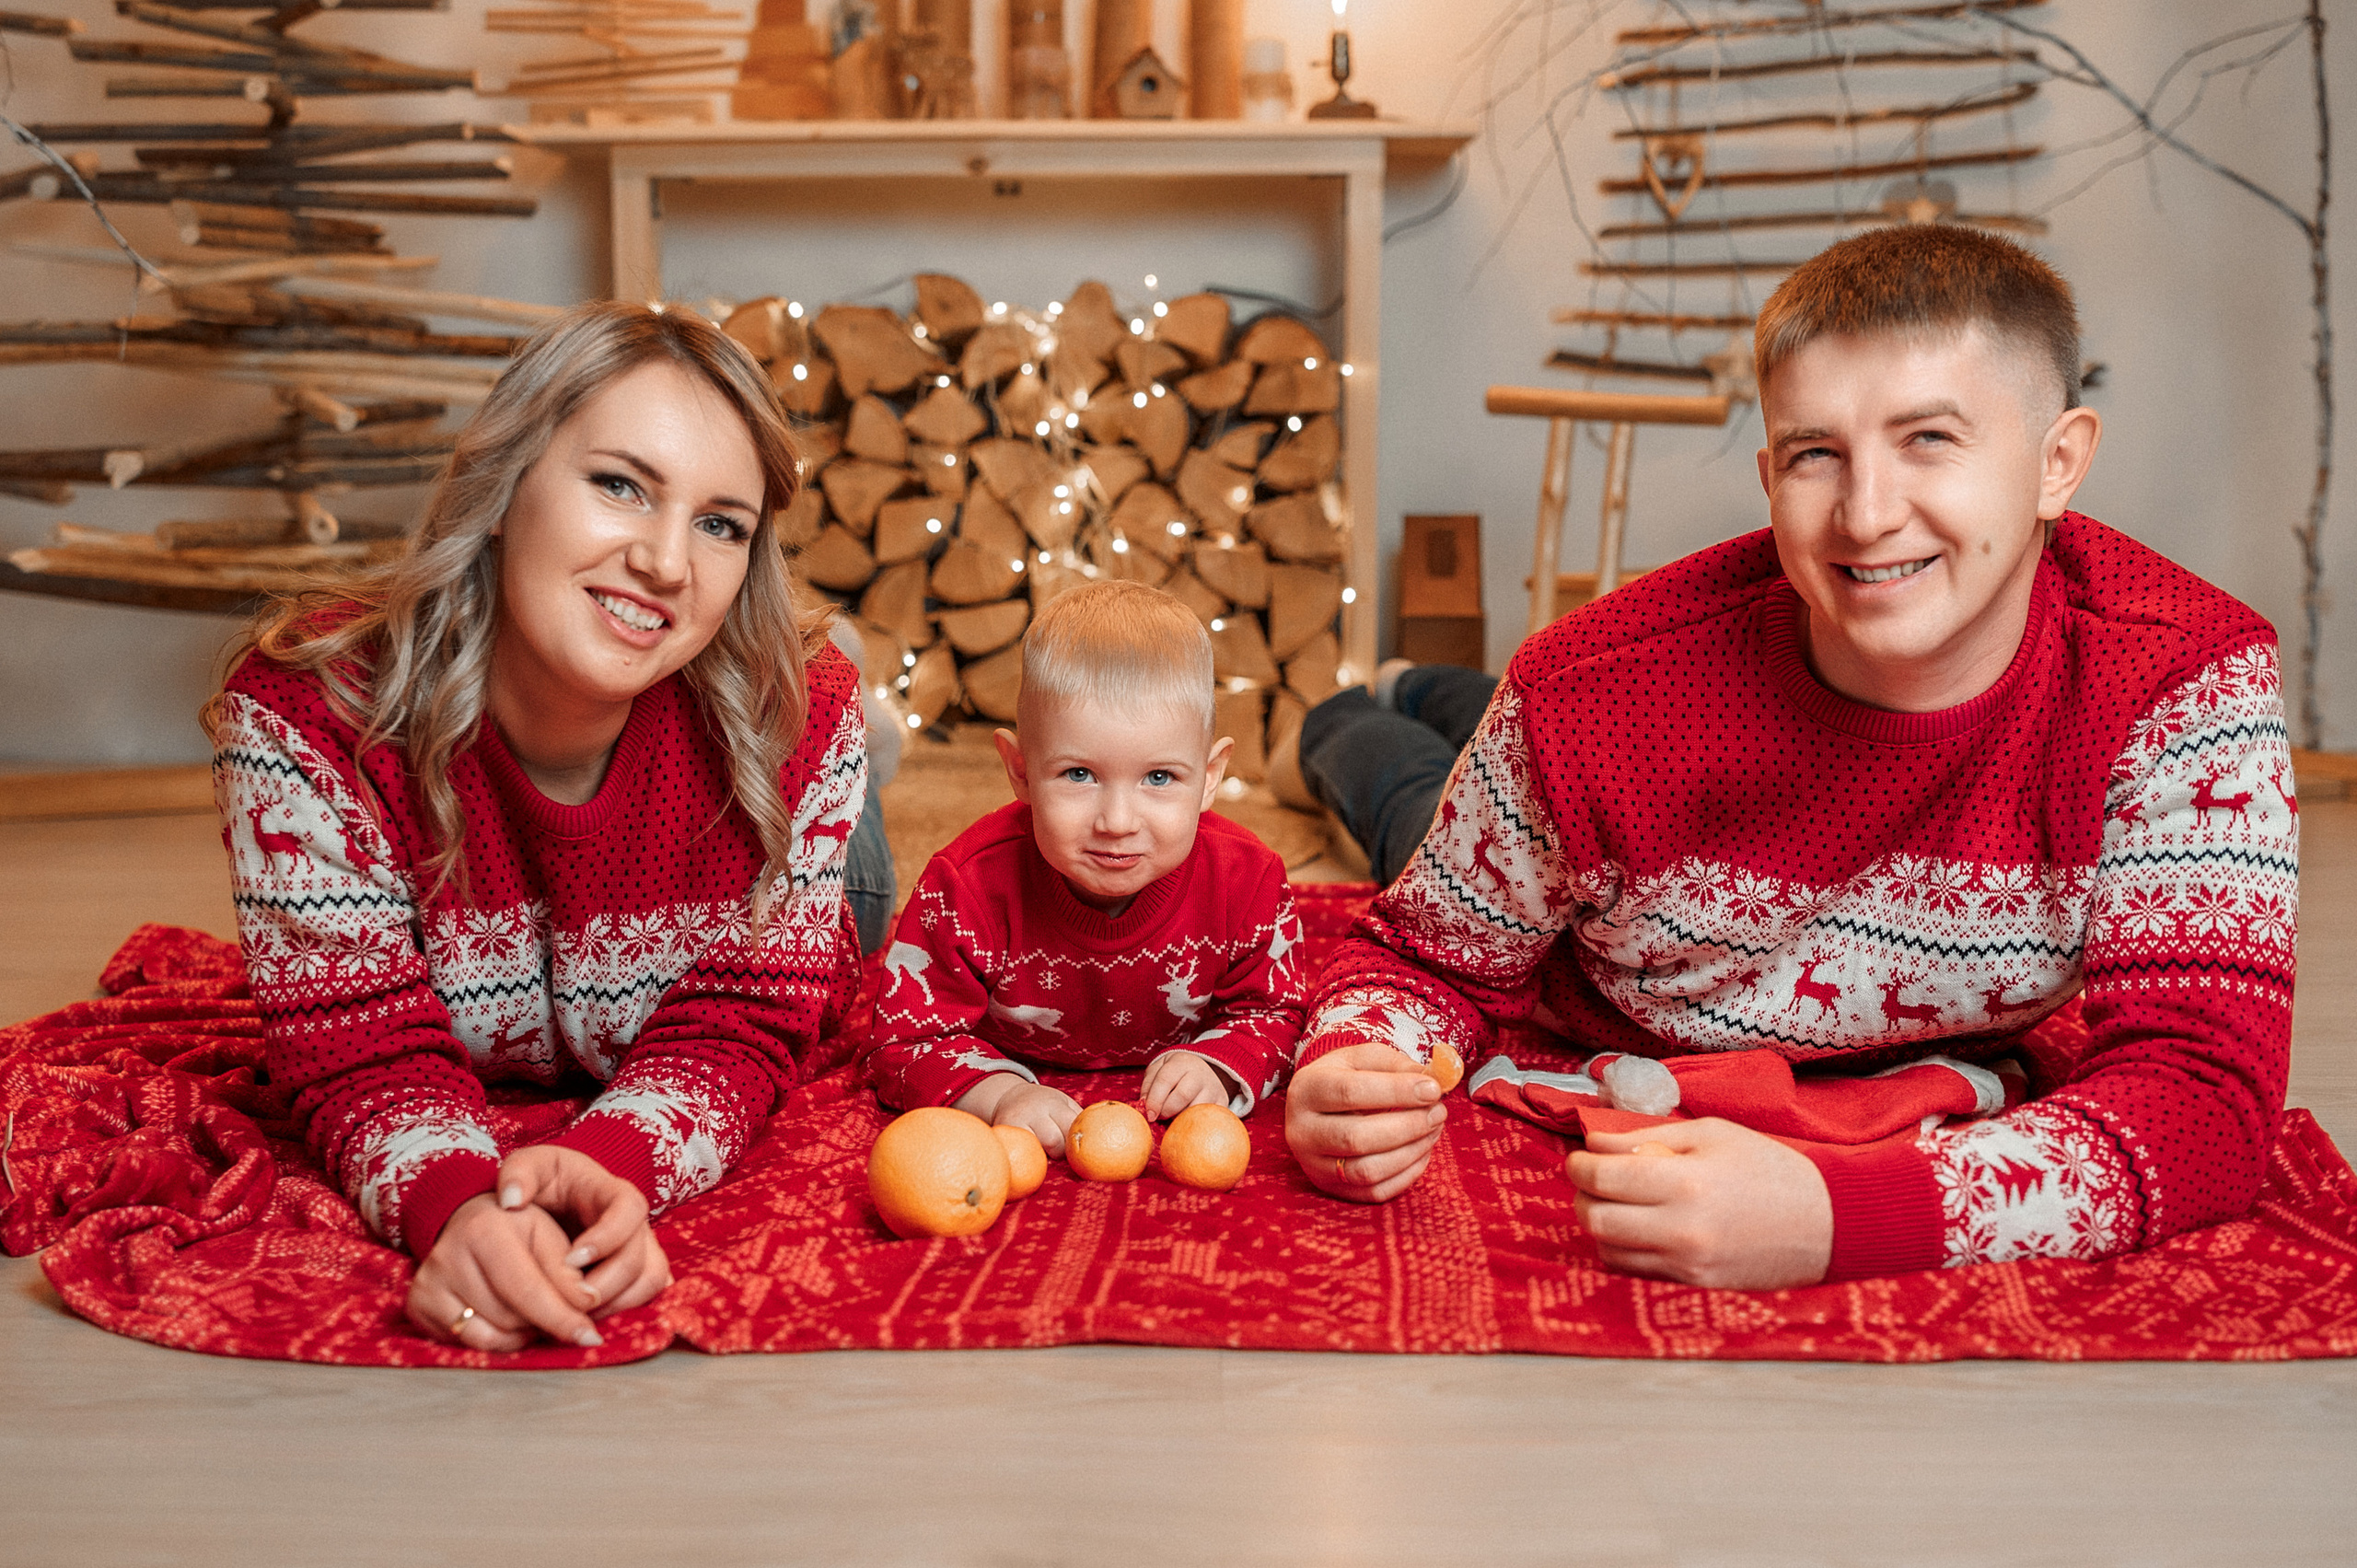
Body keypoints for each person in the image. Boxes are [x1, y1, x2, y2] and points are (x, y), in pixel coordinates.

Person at [1284, 225, 2299, 1288]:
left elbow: (2201, 1095)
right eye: (1817, 454)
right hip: (1580, 936)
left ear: (2057, 462)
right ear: (1769, 473)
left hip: (1600, 807)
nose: (1864, 515)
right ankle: (1354, 708)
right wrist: (1353, 1063)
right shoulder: (1581, 691)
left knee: (1487, 721)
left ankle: (1433, 691)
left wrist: (1836, 1214)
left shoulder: (2186, 677)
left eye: (1929, 440)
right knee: (1400, 780)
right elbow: (1423, 960)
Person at [203, 301, 871, 1352]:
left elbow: (744, 1019)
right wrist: (461, 1207)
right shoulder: (307, 713)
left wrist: (611, 1166)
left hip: (765, 805)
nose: (664, 561)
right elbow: (355, 1049)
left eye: (719, 523)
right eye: (620, 484)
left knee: (888, 917)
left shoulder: (809, 720)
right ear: (508, 483)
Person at [865, 581, 1306, 1156]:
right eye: (1079, 775)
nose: (1118, 821)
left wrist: (1220, 1065)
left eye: (1159, 778)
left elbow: (1280, 1010)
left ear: (1211, 775)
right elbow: (903, 1041)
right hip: (1010, 1070)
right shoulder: (964, 886)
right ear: (1020, 771)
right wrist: (998, 1095)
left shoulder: (1249, 880)